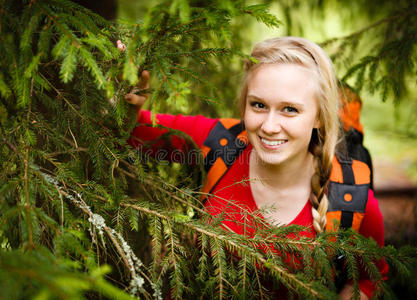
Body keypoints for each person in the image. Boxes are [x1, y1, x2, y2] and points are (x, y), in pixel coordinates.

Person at [124, 37, 387, 299]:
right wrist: (123, 91)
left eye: (290, 109)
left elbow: (369, 279)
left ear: (319, 116)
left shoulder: (351, 196)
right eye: (258, 105)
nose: (270, 126)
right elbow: (131, 131)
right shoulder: (221, 145)